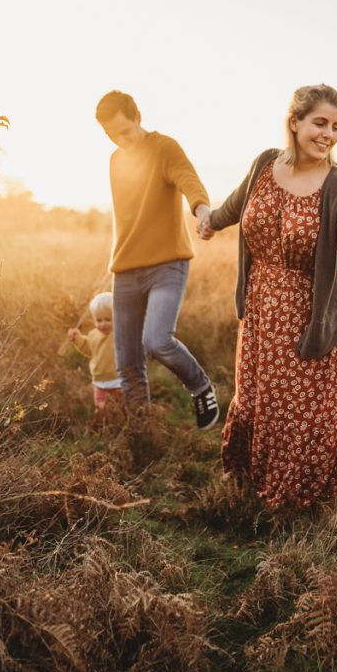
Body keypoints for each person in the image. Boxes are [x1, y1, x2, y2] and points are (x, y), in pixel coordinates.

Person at [199, 84, 337, 512]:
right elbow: (235, 208)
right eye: (320, 123)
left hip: (311, 316)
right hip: (260, 310)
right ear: (295, 123)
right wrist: (207, 220)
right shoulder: (265, 165)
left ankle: (299, 505)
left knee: (304, 414)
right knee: (259, 401)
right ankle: (250, 486)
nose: (328, 134)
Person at [95, 90, 219, 430]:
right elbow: (129, 216)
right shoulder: (115, 160)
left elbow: (187, 179)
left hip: (167, 264)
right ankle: (141, 433)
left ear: (138, 116)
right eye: (111, 136)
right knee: (128, 363)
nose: (121, 141)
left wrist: (201, 208)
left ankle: (199, 386)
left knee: (156, 340)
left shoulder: (165, 147)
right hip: (125, 270)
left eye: (124, 131)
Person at [67, 292, 124, 422]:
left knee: (122, 408)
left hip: (118, 380)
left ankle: (125, 430)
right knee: (102, 409)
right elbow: (88, 348)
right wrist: (77, 339)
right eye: (98, 320)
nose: (103, 324)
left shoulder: (119, 334)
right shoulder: (93, 335)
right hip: (99, 382)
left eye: (108, 319)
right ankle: (106, 429)